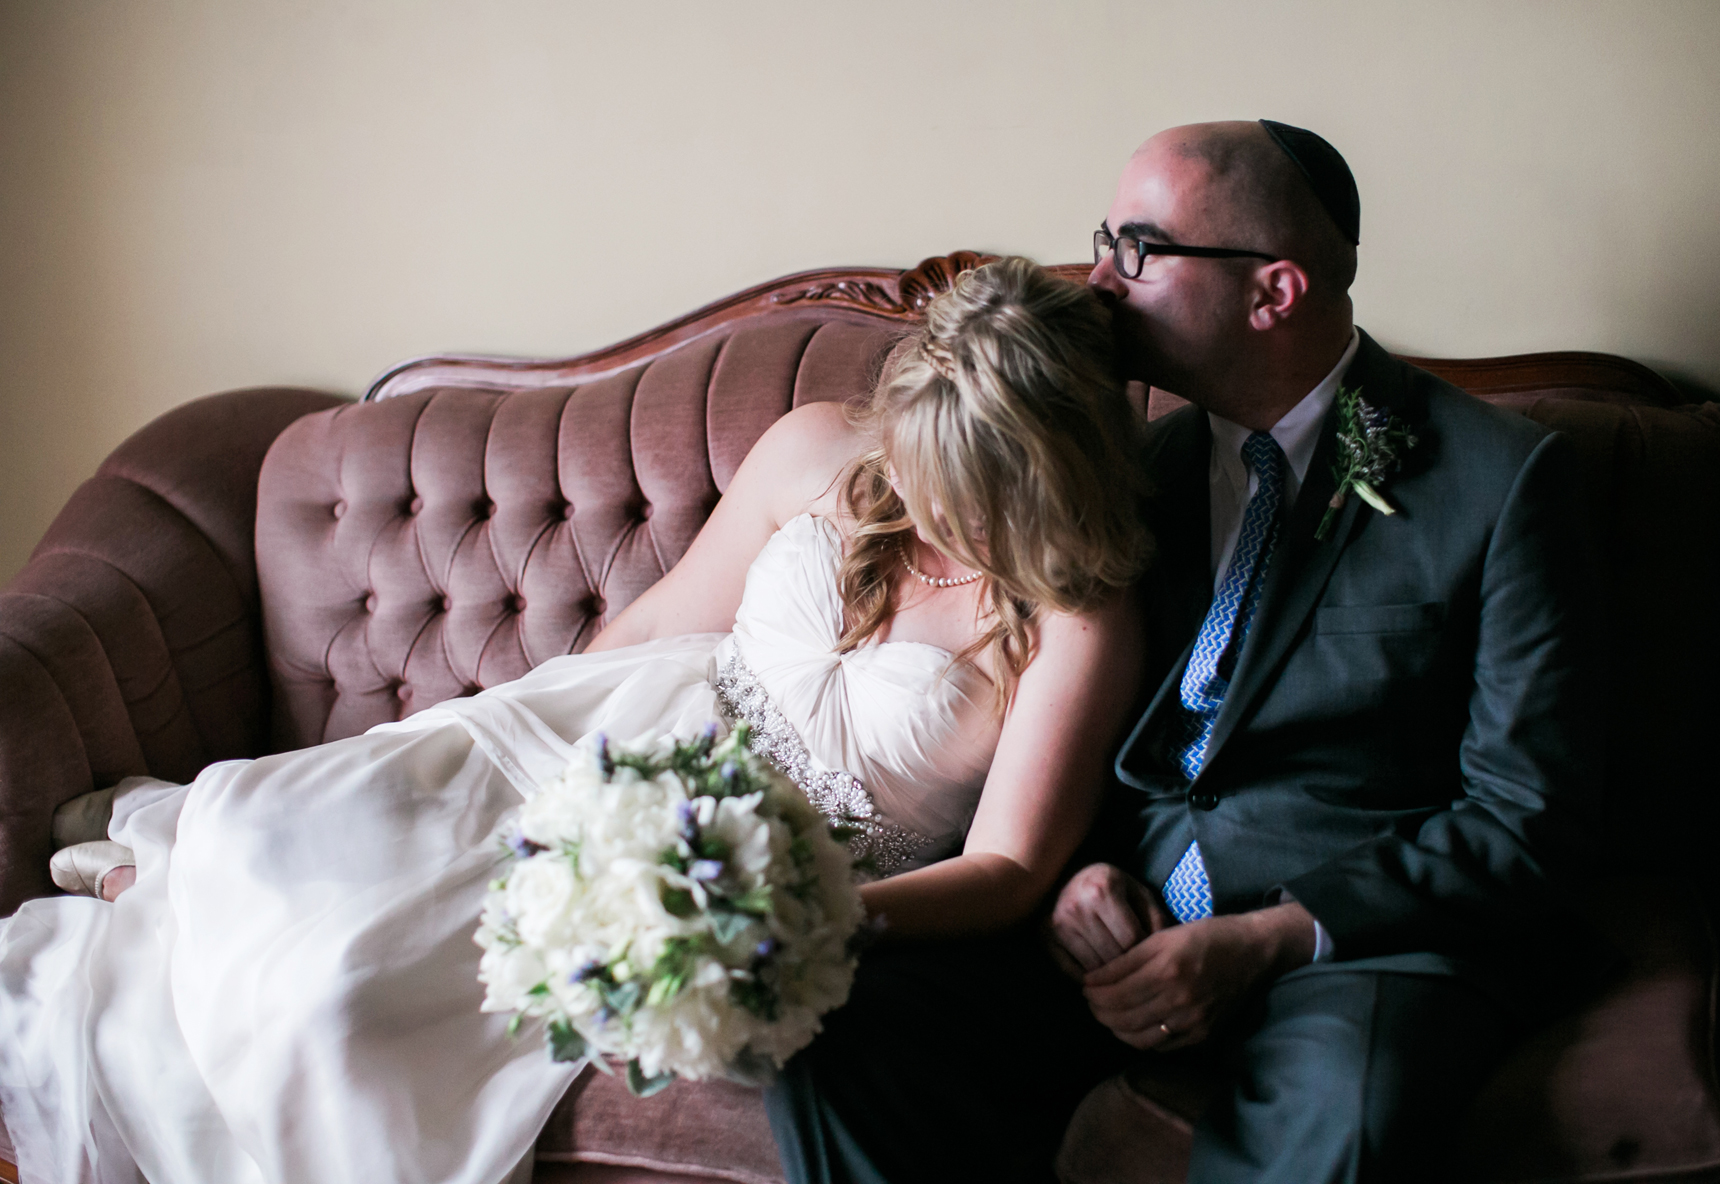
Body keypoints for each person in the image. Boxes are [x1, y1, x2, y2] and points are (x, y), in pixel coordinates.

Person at [0, 257, 1149, 1184]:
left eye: (971, 494)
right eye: (918, 464)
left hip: (762, 860)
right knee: (290, 835)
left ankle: (172, 895)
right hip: (623, 732)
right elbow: (658, 622)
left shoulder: (1075, 625)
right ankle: (176, 861)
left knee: (340, 995)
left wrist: (806, 918)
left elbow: (1004, 865)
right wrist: (532, 745)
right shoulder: (817, 449)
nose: (928, 508)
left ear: (1048, 483)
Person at [767, 122, 1603, 1184]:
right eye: (1101, 240)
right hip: (1118, 934)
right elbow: (1059, 731)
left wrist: (1273, 937)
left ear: (1274, 291)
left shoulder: (1500, 481)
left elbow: (1529, 816)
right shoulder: (1122, 475)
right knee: (842, 1035)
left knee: (1345, 1122)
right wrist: (1076, 883)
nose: (1099, 283)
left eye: (1137, 249)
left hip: (1349, 948)